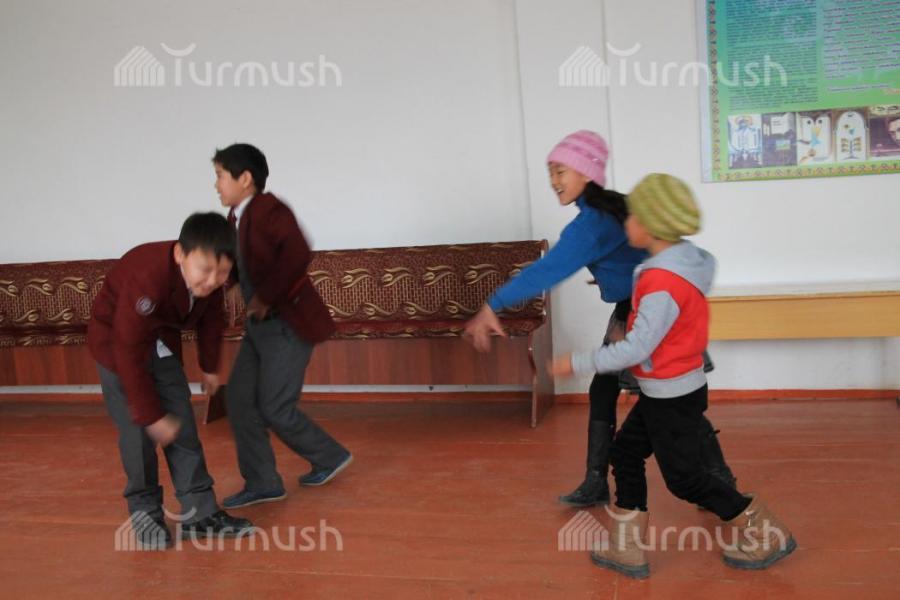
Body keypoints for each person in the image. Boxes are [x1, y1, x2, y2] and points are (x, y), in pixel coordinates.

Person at [464, 131, 734, 508]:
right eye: (550, 172)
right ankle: (705, 477)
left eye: (561, 171)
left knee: (661, 397)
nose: (554, 181)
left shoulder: (591, 224)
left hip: (643, 310)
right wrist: (611, 275)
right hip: (645, 306)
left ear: (587, 173)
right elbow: (639, 251)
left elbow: (548, 270)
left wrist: (493, 305)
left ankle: (618, 481)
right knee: (655, 396)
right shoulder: (614, 207)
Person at [550, 173, 796, 578]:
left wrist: (577, 362)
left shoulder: (660, 280)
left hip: (670, 393)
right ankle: (626, 548)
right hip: (671, 387)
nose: (625, 224)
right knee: (625, 453)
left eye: (631, 217)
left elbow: (638, 348)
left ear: (651, 225)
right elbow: (664, 322)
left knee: (686, 481)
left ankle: (767, 533)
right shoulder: (684, 260)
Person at [88, 212, 254, 548]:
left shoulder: (211, 277)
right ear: (180, 254)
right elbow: (128, 352)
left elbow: (211, 317)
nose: (212, 281)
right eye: (205, 270)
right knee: (139, 434)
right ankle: (145, 515)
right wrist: (151, 416)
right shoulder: (147, 279)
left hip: (159, 338)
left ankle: (200, 515)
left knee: (182, 425)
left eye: (222, 272)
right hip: (117, 344)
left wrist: (209, 367)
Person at [213, 143, 352, 510]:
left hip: (287, 324)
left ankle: (330, 456)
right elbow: (238, 262)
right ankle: (263, 483)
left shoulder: (269, 209)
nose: (216, 185)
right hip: (260, 328)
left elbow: (298, 253)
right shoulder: (235, 217)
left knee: (274, 406)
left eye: (220, 176)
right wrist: (232, 285)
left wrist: (263, 297)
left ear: (245, 178)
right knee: (239, 399)